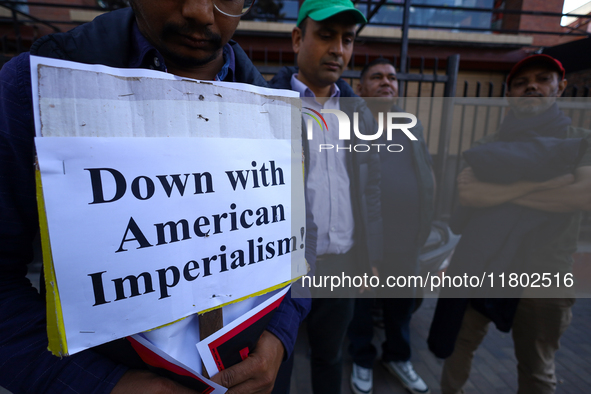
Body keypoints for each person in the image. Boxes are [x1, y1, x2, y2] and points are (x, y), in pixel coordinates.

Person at [0, 1, 316, 393]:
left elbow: (306, 244)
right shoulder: (31, 89)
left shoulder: (280, 115)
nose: (200, 11)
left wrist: (279, 339)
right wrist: (102, 385)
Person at [431, 54, 591, 394]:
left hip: (545, 276)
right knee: (458, 348)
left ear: (560, 87)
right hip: (482, 268)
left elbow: (582, 197)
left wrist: (501, 192)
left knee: (536, 370)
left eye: (542, 78)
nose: (531, 85)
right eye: (520, 82)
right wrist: (545, 184)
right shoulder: (487, 145)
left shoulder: (581, 139)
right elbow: (471, 196)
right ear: (509, 95)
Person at [267, 1, 382, 393]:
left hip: (343, 265)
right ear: (298, 37)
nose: (338, 48)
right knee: (274, 366)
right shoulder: (265, 105)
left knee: (330, 359)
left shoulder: (359, 113)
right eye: (326, 35)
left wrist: (369, 259)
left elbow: (369, 192)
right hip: (284, 271)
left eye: (347, 39)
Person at [347, 58, 433, 394]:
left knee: (401, 305)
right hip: (365, 242)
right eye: (378, 77)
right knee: (362, 308)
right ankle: (362, 359)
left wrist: (426, 220)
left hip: (406, 237)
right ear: (360, 88)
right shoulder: (349, 126)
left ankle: (398, 357)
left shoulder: (411, 125)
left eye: (393, 78)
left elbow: (424, 173)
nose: (387, 82)